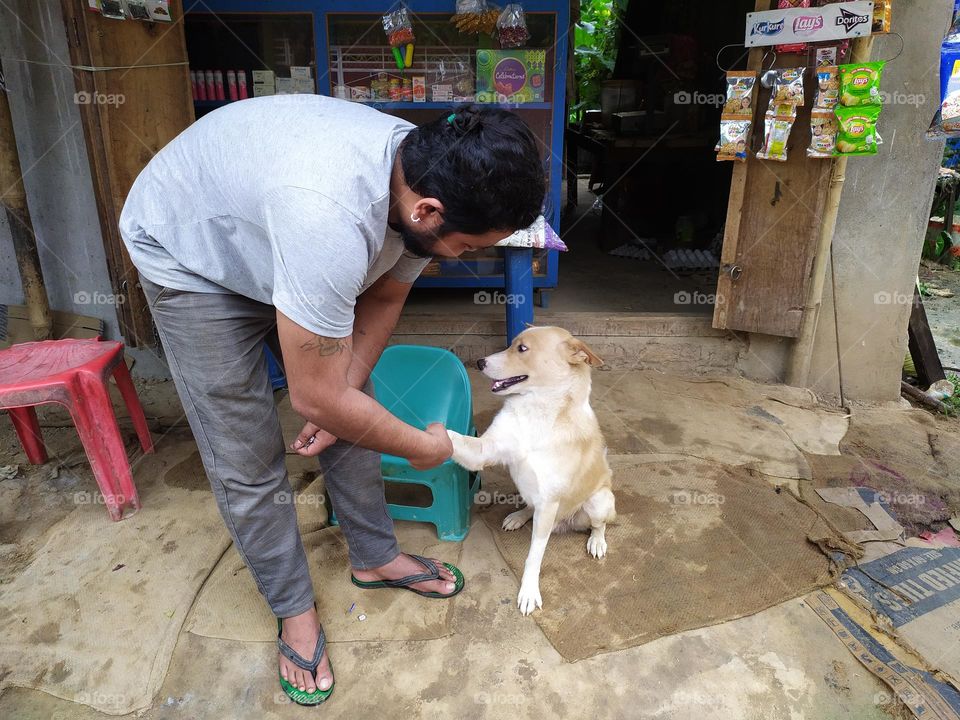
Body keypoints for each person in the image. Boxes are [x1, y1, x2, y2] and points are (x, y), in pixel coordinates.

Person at [119, 96, 545, 705]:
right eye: (471, 246)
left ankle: (374, 557)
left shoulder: (423, 170)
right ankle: (293, 608)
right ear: (427, 210)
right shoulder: (330, 217)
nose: (469, 257)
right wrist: (422, 447)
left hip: (281, 228)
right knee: (246, 451)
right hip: (192, 252)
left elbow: (383, 302)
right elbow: (314, 395)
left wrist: (339, 398)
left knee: (353, 410)